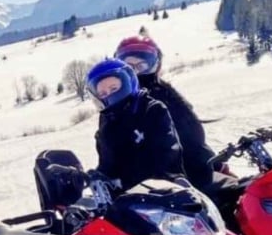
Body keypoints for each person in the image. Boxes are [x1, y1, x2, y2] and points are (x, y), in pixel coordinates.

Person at [113, 35, 219, 191]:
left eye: (142, 65)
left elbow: (193, 137)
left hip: (191, 179)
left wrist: (215, 163)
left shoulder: (166, 95)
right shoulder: (120, 107)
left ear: (156, 65)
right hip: (155, 189)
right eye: (129, 66)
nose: (136, 72)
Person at [86, 58, 185, 190]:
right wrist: (97, 177)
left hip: (165, 192)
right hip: (126, 201)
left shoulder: (152, 110)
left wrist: (128, 182)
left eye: (114, 88)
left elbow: (167, 156)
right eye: (103, 94)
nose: (109, 96)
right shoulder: (106, 122)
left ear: (128, 83)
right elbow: (108, 165)